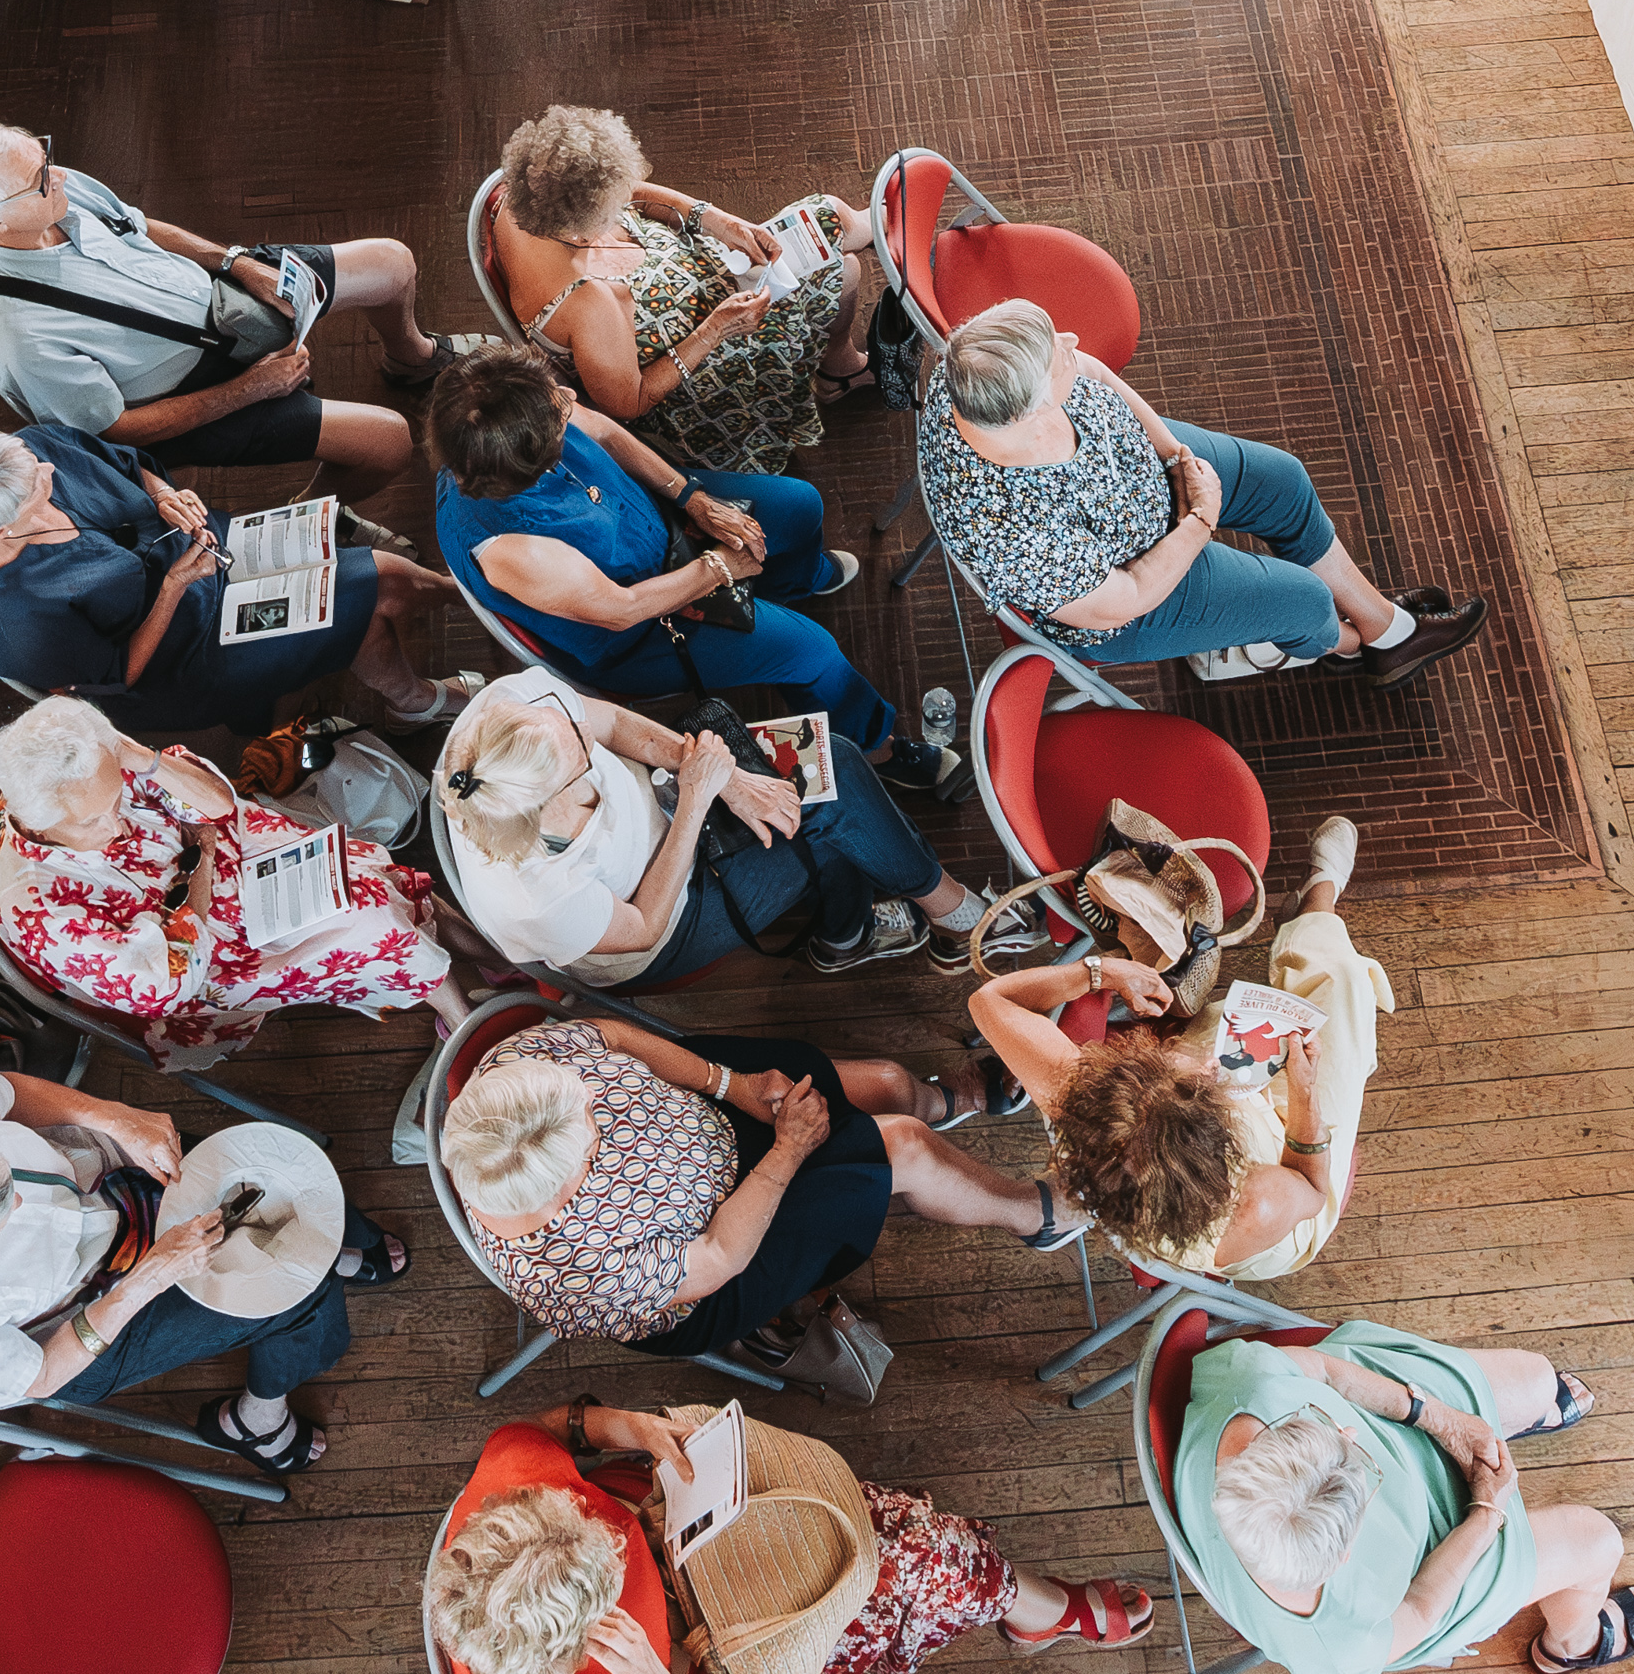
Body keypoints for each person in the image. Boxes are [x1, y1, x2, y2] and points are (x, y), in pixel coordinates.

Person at [424, 342, 961, 797]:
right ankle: (877, 746)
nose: (569, 399)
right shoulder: (510, 549)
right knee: (812, 652)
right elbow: (621, 609)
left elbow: (607, 436)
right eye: (558, 411)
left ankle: (790, 584)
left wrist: (692, 497)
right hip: (639, 627)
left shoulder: (512, 417)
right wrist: (718, 568)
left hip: (659, 529)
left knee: (799, 506)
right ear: (531, 458)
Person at [0, 1058, 378, 1480]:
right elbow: (42, 1372)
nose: (22, 1196)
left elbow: (7, 1091)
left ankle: (312, 1242)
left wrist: (109, 1116)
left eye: (3, 1172)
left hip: (100, 1178)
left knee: (258, 1172)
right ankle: (256, 1421)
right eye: (6, 1212)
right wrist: (148, 1278)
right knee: (302, 1296)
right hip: (83, 1321)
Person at [441, 1012, 1052, 1378]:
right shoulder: (573, 1271)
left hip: (711, 1115)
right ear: (559, 1190)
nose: (598, 1109)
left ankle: (948, 1101)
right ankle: (1037, 1215)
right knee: (903, 1146)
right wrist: (788, 1150)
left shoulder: (513, 1071)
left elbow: (614, 1039)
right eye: (594, 1136)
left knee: (888, 1083)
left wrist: (729, 1085)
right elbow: (718, 1255)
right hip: (723, 1256)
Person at [922, 301, 1480, 689]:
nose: (1071, 342)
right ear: (1035, 410)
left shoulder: (975, 366)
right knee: (1305, 601)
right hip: (1135, 589)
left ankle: (1387, 629)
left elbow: (1092, 371)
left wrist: (1174, 458)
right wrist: (1200, 521)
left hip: (1139, 464)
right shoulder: (1013, 534)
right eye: (1057, 353)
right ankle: (1352, 645)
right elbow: (1128, 596)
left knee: (1283, 481)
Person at [0, 118, 449, 498]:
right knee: (389, 444)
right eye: (42, 180)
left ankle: (410, 359)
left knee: (393, 263)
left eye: (46, 157)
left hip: (217, 299)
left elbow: (140, 225)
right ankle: (313, 513)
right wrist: (251, 389)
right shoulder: (18, 336)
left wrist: (237, 264)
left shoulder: (48, 188)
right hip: (187, 394)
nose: (59, 176)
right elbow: (117, 431)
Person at [429, 1405, 1156, 1674]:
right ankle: (1028, 1603)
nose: (612, 1545)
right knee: (894, 1560)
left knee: (886, 1538)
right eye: (608, 1566)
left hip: (681, 1516)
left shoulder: (516, 1477)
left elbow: (551, 1428)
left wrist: (626, 1426)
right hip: (734, 1629)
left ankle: (1018, 1599)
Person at [975, 818, 1386, 1287]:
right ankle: (1317, 901)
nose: (1210, 1066)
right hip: (1289, 1171)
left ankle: (1153, 956)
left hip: (1170, 1157)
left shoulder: (1082, 1100)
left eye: (1166, 1066)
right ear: (1221, 1136)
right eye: (1202, 1079)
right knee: (1343, 992)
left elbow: (989, 1001)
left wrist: (1101, 972)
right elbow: (1311, 1188)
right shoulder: (1257, 1202)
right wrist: (1305, 1093)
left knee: (1220, 1026)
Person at [433, 667, 1014, 990]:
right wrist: (695, 798)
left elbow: (605, 720)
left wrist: (726, 778)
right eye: (579, 754)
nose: (582, 732)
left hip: (675, 792)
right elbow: (640, 928)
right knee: (830, 812)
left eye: (565, 722)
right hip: (662, 921)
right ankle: (951, 914)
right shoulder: (533, 897)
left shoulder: (507, 714)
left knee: (827, 765)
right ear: (550, 803)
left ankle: (856, 933)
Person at [0, 695, 469, 1049]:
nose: (117, 821)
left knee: (362, 879)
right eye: (91, 821)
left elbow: (216, 804)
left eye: (115, 799)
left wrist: (138, 758)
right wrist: (204, 859)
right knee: (371, 921)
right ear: (38, 823)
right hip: (199, 948)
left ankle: (467, 951)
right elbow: (162, 986)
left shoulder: (84, 769)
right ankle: (457, 1009)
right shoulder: (46, 915)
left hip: (214, 859)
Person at [0, 420, 461, 731]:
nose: (50, 469)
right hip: (187, 652)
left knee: (377, 584)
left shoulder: (32, 452)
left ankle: (457, 607)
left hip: (200, 546)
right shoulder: (23, 619)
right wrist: (175, 586)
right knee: (376, 588)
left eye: (34, 463)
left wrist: (165, 494)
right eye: (38, 486)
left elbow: (129, 463)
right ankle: (415, 692)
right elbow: (120, 675)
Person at [1174, 1326, 1634, 1674]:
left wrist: (1438, 1418)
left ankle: (1505, 1421)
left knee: (1538, 1379)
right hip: (1434, 1563)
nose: (1350, 1428)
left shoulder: (1251, 1384)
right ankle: (1572, 1644)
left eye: (1320, 1425)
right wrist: (1485, 1515)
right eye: (1357, 1458)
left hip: (1400, 1422)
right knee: (1600, 1541)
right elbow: (1420, 1609)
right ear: (1343, 1557)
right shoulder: (1333, 1650)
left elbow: (1322, 1369)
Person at [485, 101, 879, 470]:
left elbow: (632, 192)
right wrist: (717, 328)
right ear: (582, 228)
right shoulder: (588, 304)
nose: (622, 202)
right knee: (844, 271)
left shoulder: (530, 197)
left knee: (829, 218)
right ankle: (839, 366)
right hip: (694, 365)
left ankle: (877, 233)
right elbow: (630, 403)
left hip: (696, 280)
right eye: (610, 208)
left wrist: (717, 220)